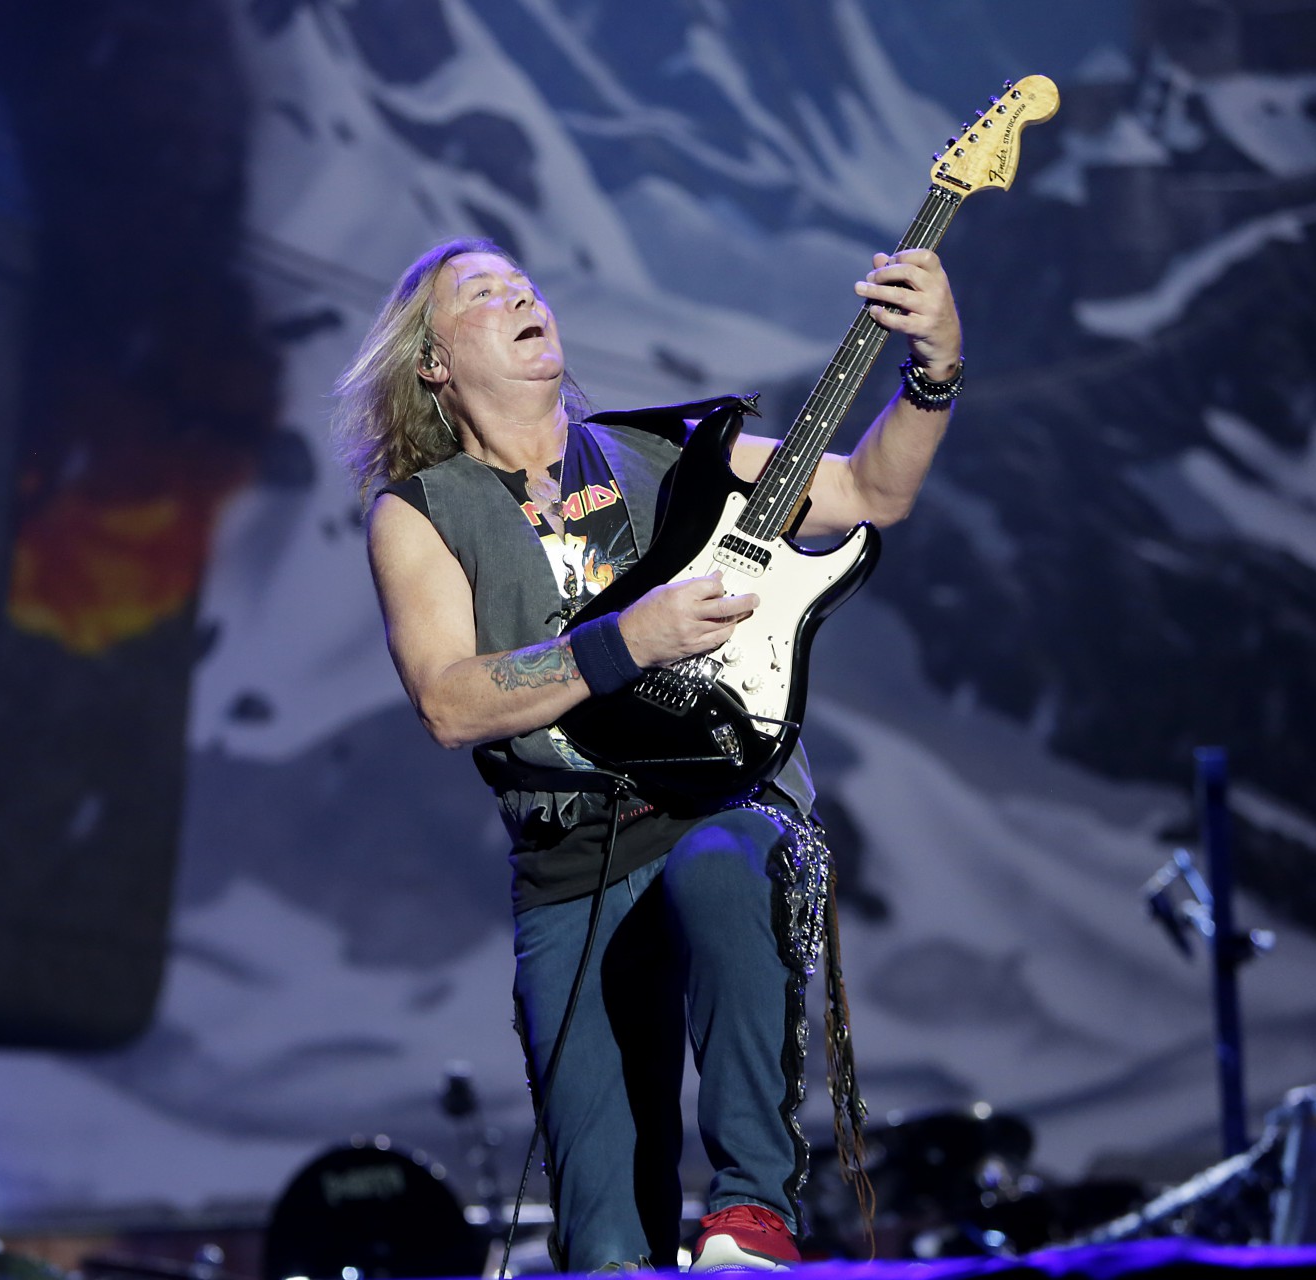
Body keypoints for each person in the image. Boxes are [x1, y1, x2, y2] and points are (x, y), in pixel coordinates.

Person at [336, 237, 962, 1270]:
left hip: (721, 804)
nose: (519, 293)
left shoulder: (664, 454)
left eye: (523, 281)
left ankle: (755, 1211)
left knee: (723, 870)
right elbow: (449, 701)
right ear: (434, 363)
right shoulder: (419, 512)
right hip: (572, 862)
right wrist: (633, 637)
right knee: (607, 1235)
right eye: (482, 294)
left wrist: (935, 369)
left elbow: (869, 495)